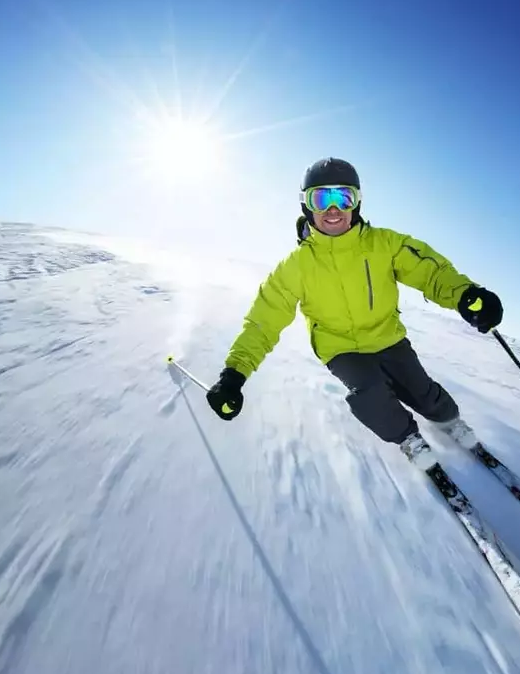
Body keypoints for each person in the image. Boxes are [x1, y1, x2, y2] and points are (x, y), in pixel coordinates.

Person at [206, 157, 503, 472]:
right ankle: (408, 439)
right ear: (307, 206)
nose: (333, 209)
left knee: (422, 392)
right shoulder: (295, 267)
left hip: (388, 337)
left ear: (356, 203)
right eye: (321, 198)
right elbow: (264, 321)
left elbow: (430, 272)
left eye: (343, 197)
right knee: (370, 394)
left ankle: (449, 422)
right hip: (340, 347)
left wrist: (466, 295)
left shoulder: (385, 244)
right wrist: (234, 375)